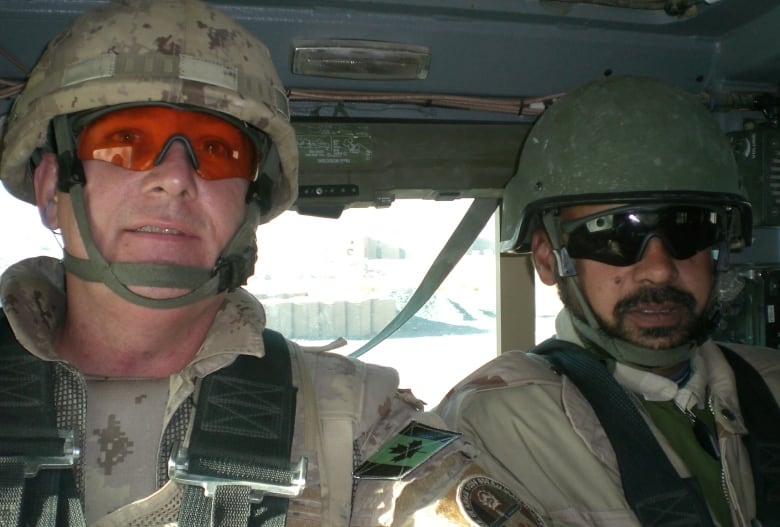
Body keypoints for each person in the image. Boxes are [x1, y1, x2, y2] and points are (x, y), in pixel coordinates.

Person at [0, 1, 432, 525]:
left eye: (217, 150)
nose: (177, 178)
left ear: (249, 203)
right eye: (125, 141)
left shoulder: (362, 421)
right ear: (52, 188)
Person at [417, 75, 780, 527]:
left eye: (688, 230)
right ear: (550, 260)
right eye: (612, 235)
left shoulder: (771, 383)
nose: (660, 269)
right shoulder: (495, 423)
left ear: (719, 249)